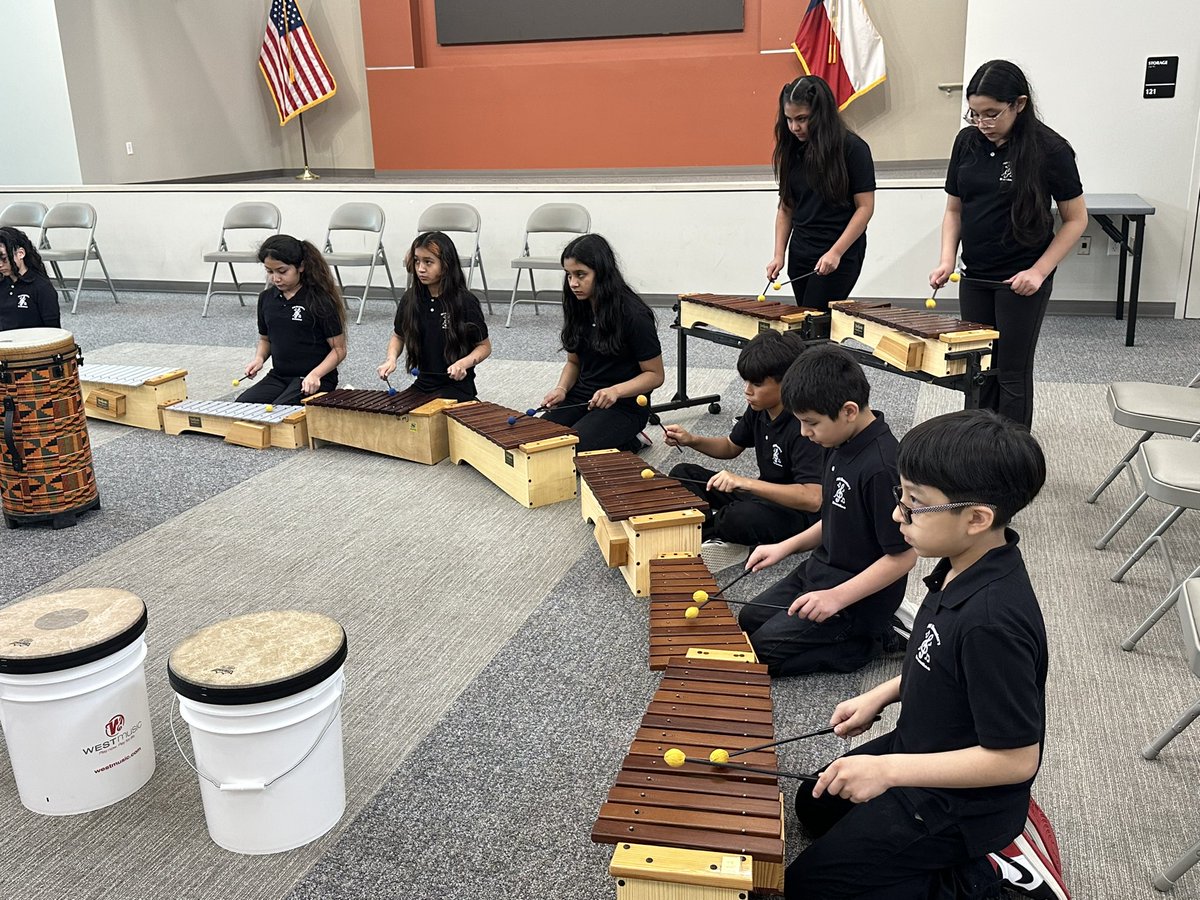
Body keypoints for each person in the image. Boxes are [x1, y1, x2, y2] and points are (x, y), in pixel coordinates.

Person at [786, 409, 1048, 899]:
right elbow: (938, 660)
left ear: (976, 518)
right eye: (900, 496)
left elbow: (1014, 761)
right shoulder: (957, 563)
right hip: (921, 745)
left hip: (963, 802)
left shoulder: (993, 622)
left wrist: (888, 771)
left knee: (806, 888)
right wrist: (882, 694)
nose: (896, 515)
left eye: (914, 504)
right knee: (814, 806)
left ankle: (982, 884)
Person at [736, 344, 915, 677]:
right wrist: (784, 547)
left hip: (856, 597)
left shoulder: (882, 468)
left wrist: (836, 597)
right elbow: (835, 517)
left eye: (811, 423)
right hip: (820, 571)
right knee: (748, 621)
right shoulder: (835, 442)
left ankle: (873, 640)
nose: (804, 433)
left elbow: (905, 556)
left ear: (848, 411)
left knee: (762, 656)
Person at [930, 59, 1087, 429]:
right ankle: (980, 447)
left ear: (1018, 104)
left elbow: (1075, 219)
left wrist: (1038, 271)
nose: (983, 124)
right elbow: (954, 209)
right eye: (975, 114)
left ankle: (1013, 458)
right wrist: (946, 259)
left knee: (1012, 372)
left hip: (1022, 276)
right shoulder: (967, 142)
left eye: (992, 114)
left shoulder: (1050, 149)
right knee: (978, 367)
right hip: (975, 275)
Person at [663, 330, 823, 570]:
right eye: (746, 382)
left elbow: (813, 499)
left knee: (738, 516)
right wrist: (691, 439)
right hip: (762, 496)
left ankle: (715, 533)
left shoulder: (804, 424)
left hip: (797, 515)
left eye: (757, 384)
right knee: (682, 473)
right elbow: (730, 446)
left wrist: (745, 482)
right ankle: (711, 531)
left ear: (786, 382)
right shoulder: (759, 409)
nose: (747, 390)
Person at [541, 234, 664, 453]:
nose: (573, 284)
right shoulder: (578, 307)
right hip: (581, 396)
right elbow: (573, 362)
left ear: (602, 272)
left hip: (625, 405)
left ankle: (632, 439)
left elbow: (655, 375)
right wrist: (561, 389)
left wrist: (615, 391)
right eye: (568, 275)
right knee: (538, 440)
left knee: (570, 450)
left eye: (581, 275)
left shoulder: (634, 315)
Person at [768, 75, 876, 310]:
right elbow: (786, 208)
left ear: (821, 114)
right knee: (806, 321)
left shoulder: (853, 149)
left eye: (802, 119)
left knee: (814, 324)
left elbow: (865, 208)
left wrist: (835, 252)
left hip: (839, 252)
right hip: (801, 251)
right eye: (789, 119)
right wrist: (779, 255)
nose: (795, 127)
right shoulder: (791, 150)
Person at [377, 231, 491, 401]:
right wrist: (391, 359)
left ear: (445, 265)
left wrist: (463, 364)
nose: (420, 269)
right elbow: (398, 335)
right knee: (397, 416)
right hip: (423, 385)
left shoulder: (465, 301)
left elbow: (484, 346)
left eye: (428, 262)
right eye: (417, 261)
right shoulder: (411, 299)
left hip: (456, 387)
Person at [238, 235, 346, 406]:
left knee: (280, 412)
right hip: (279, 376)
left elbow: (339, 349)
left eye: (282, 271)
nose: (275, 278)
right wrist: (259, 359)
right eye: (269, 272)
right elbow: (265, 339)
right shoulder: (266, 298)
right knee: (241, 406)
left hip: (315, 378)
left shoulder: (320, 301)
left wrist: (316, 375)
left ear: (301, 266)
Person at [0, 226, 60, 331]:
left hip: (30, 344)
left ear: (20, 254)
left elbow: (53, 330)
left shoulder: (41, 286)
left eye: (4, 258)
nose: (0, 264)